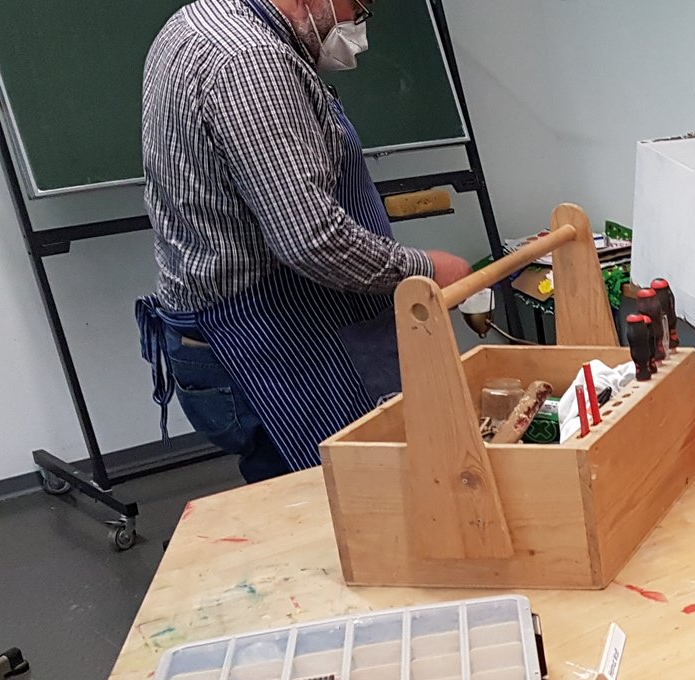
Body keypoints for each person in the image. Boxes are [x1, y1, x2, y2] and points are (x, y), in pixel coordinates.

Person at [138, 0, 471, 483]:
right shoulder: (251, 62)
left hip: (232, 325)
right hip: (267, 335)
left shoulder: (199, 19)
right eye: (357, 5)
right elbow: (312, 239)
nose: (357, 26)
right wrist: (424, 270)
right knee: (346, 497)